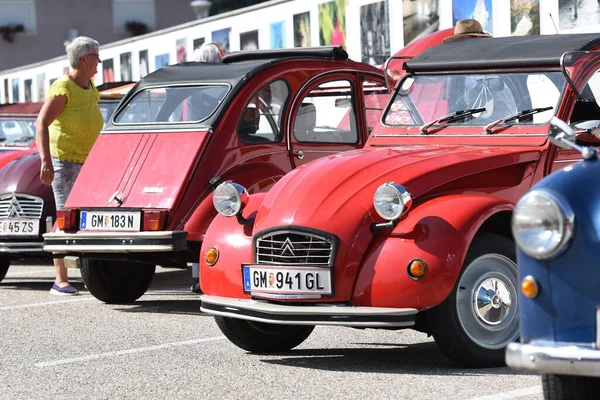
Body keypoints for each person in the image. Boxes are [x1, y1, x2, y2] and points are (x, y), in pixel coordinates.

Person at [36, 36, 103, 296]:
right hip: (64, 161)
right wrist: (45, 162)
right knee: (64, 217)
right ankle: (60, 280)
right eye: (96, 56)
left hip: (88, 162)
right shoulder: (63, 87)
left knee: (89, 217)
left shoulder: (89, 85)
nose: (99, 62)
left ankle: (92, 275)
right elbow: (41, 124)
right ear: (84, 59)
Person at [189, 42, 224, 294]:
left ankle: (197, 275)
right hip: (214, 154)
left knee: (195, 216)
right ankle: (206, 274)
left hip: (194, 154)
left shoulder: (192, 88)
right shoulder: (218, 88)